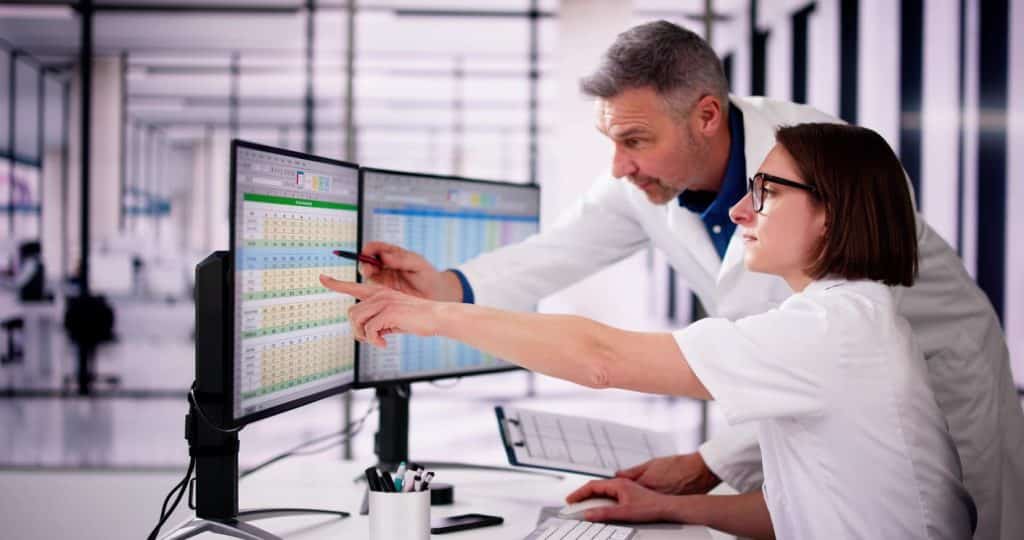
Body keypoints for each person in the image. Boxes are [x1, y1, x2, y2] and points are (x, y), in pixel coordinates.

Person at [349, 21, 1023, 540]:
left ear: (705, 115)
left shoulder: (821, 170)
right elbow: (554, 254)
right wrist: (447, 287)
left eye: (635, 141)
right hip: (828, 417)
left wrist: (707, 461)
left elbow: (604, 359)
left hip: (946, 387)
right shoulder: (655, 183)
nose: (618, 167)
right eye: (610, 141)